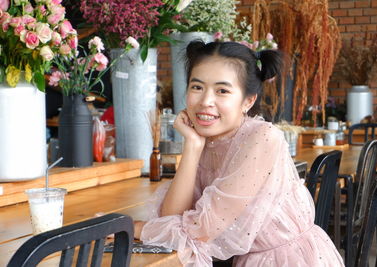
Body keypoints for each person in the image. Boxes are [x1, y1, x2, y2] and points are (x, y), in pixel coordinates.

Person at [133, 41, 344, 267]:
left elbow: (201, 231)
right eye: (197, 87)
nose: (205, 101)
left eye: (222, 90)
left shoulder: (262, 137)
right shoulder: (207, 139)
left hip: (287, 260)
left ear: (248, 101)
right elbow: (171, 218)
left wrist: (134, 227)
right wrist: (193, 146)